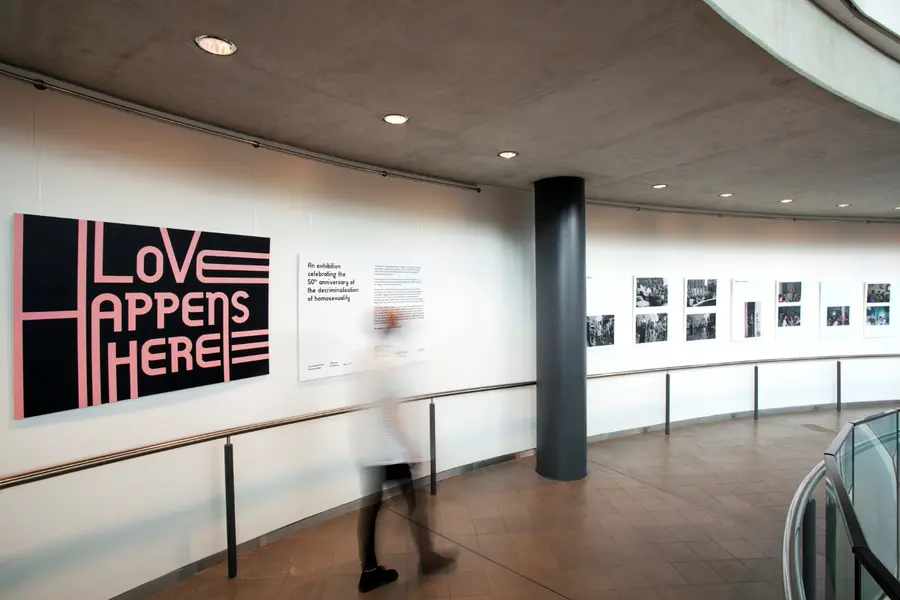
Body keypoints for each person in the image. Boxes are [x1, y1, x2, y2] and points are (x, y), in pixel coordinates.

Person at [355, 308, 456, 594]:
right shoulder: (389, 364)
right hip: (390, 452)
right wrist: (412, 448)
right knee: (415, 503)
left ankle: (369, 570)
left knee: (371, 510)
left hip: (370, 451)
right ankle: (427, 559)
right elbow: (391, 413)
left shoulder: (366, 360)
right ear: (395, 329)